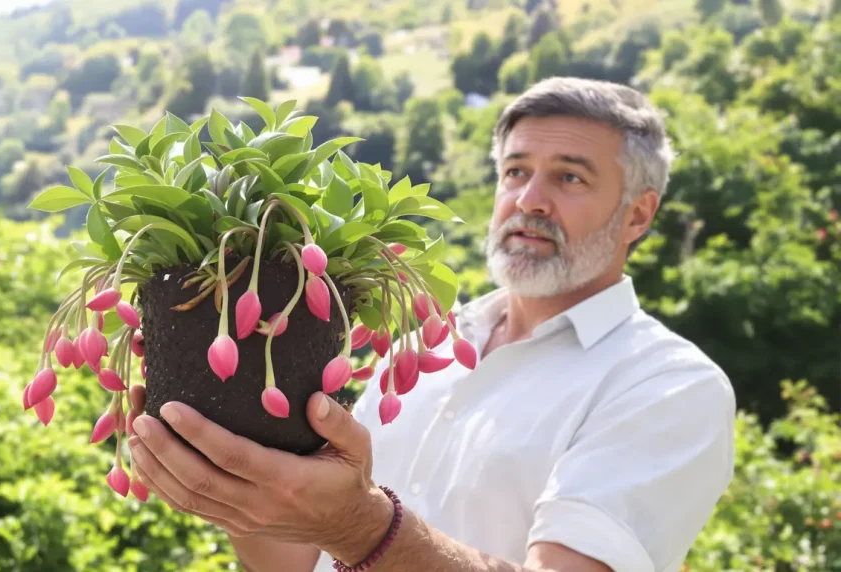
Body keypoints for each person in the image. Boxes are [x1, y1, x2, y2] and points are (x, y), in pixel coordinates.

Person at [126, 77, 736, 572]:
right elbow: (299, 558)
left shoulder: (670, 386)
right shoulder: (426, 341)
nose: (529, 200)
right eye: (516, 171)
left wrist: (361, 526)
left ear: (638, 215)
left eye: (569, 177)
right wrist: (236, 485)